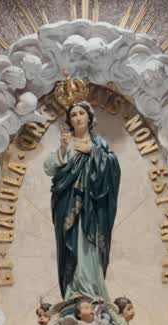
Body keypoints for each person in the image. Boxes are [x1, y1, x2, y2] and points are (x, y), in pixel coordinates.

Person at [44, 101, 121, 302]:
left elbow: (113, 168)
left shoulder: (100, 144)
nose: (78, 117)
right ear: (69, 121)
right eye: (73, 115)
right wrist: (61, 149)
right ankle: (74, 293)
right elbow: (49, 168)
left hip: (94, 207)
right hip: (68, 205)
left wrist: (93, 153)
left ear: (89, 117)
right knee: (73, 247)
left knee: (91, 247)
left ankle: (94, 292)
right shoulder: (67, 142)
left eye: (81, 113)